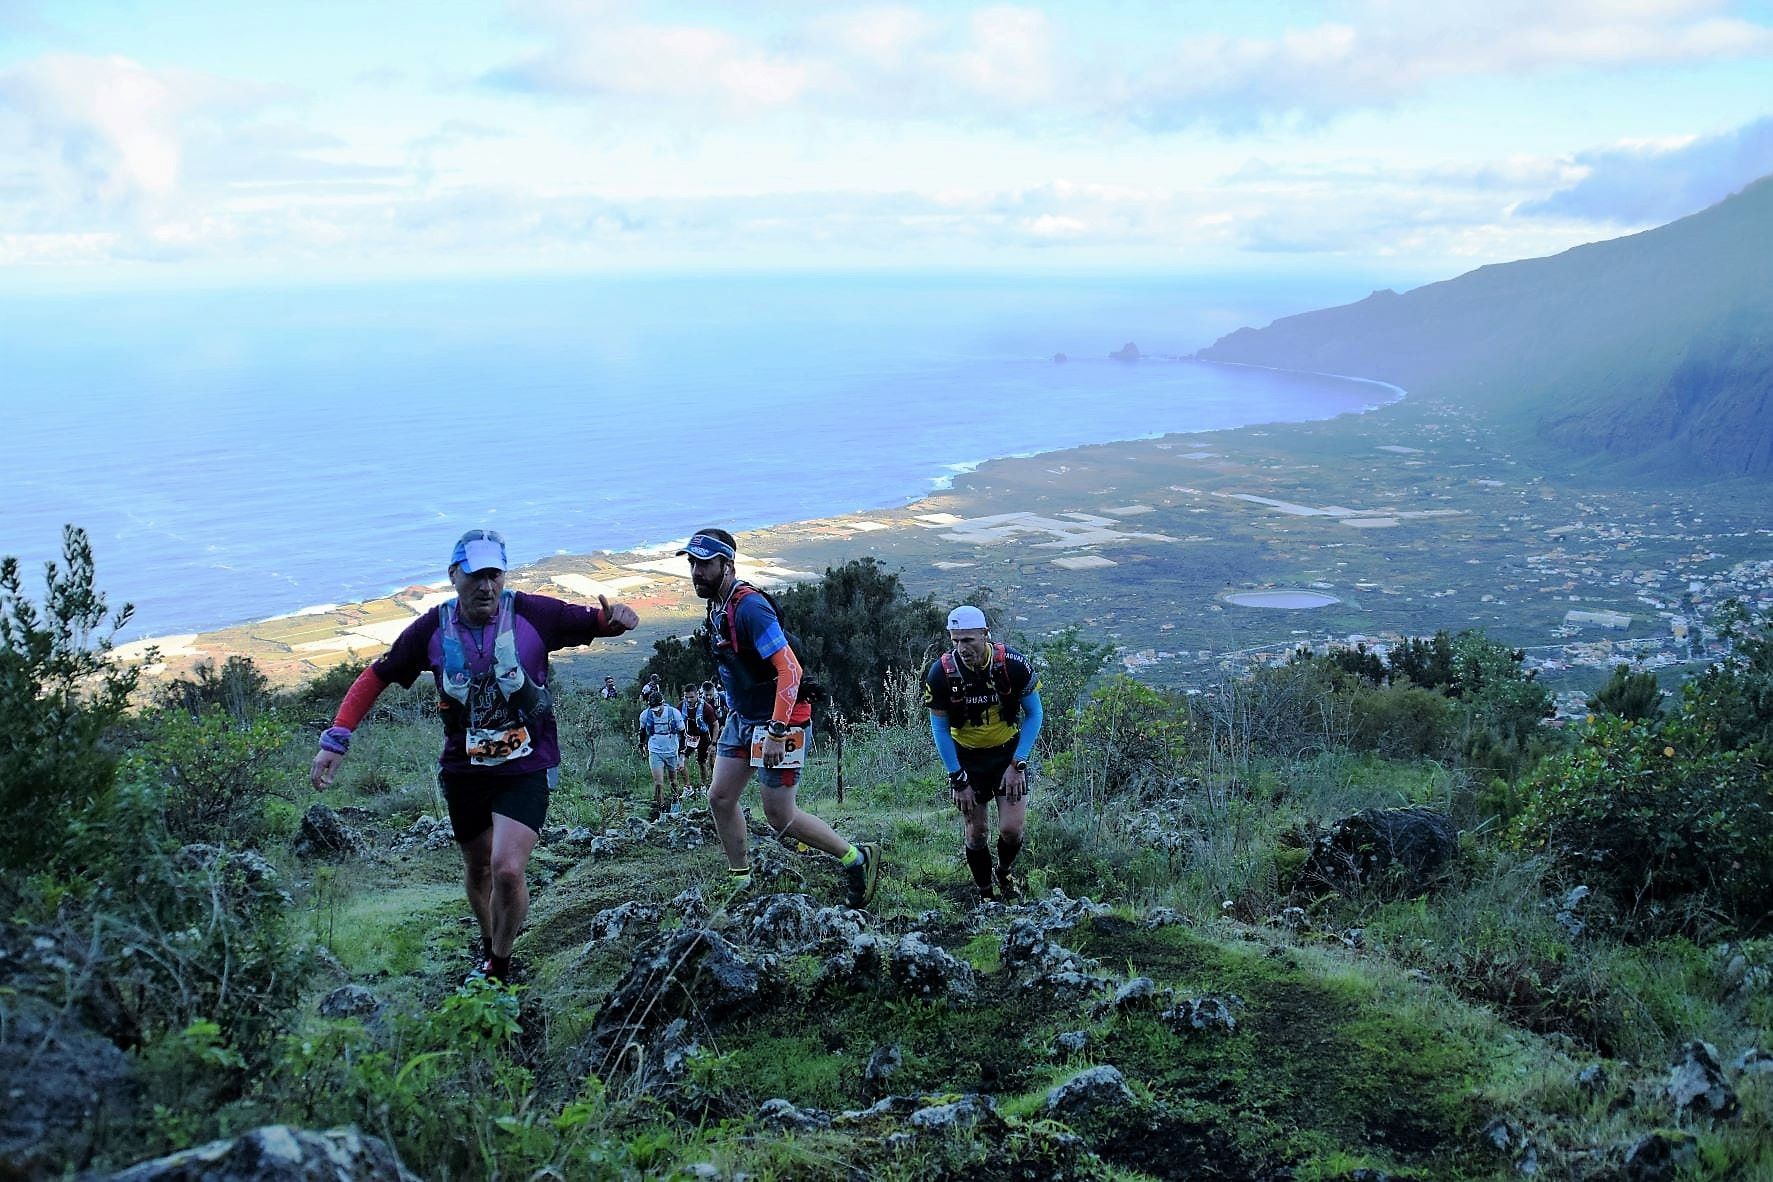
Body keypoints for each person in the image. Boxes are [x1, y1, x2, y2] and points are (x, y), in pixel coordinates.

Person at [309, 528, 638, 983]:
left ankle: (500, 964)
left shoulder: (531, 613)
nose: (486, 585)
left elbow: (591, 623)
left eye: (494, 574)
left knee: (506, 868)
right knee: (478, 867)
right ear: (454, 576)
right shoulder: (432, 628)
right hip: (464, 770)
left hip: (527, 763)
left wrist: (617, 618)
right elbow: (377, 675)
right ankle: (488, 945)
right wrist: (336, 739)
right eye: (475, 575)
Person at [678, 528, 880, 908]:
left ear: (728, 564)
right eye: (692, 564)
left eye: (705, 564)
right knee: (720, 798)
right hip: (744, 718)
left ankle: (856, 858)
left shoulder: (750, 607)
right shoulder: (717, 606)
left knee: (780, 817)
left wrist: (775, 730)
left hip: (779, 720)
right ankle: (741, 878)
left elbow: (790, 670)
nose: (696, 572)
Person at [924, 604, 1044, 902]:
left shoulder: (1013, 664)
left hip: (1007, 754)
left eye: (968, 640)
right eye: (955, 641)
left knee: (1011, 830)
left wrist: (1018, 763)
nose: (962, 648)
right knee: (976, 832)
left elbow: (1035, 713)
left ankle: (1003, 872)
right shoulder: (941, 672)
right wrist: (957, 779)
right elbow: (939, 729)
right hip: (967, 758)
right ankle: (985, 894)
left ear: (985, 634)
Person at [640, 689, 688, 816]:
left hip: (672, 750)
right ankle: (661, 809)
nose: (656, 711)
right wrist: (642, 746)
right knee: (658, 783)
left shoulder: (674, 714)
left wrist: (682, 757)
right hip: (655, 750)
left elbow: (683, 735)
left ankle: (675, 801)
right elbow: (643, 732)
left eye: (658, 708)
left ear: (663, 703)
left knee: (673, 781)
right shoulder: (645, 715)